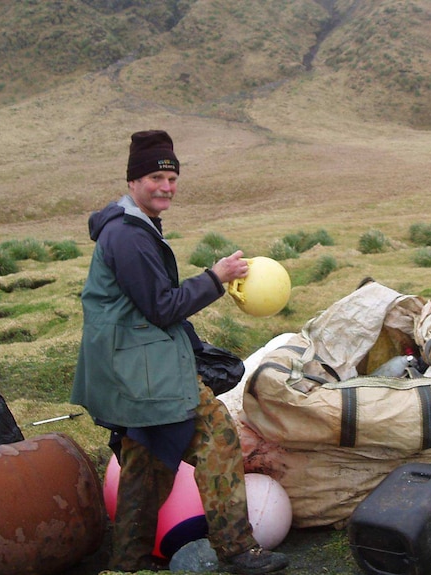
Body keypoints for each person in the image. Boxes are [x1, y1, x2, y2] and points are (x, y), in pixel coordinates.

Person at [71, 130, 289, 574]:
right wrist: (216, 277)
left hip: (129, 366)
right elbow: (161, 305)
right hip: (143, 370)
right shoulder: (128, 237)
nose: (166, 186)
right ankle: (237, 549)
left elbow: (147, 301)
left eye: (172, 177)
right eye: (156, 176)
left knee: (143, 464)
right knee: (218, 437)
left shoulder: (130, 226)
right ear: (134, 180)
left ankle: (124, 564)